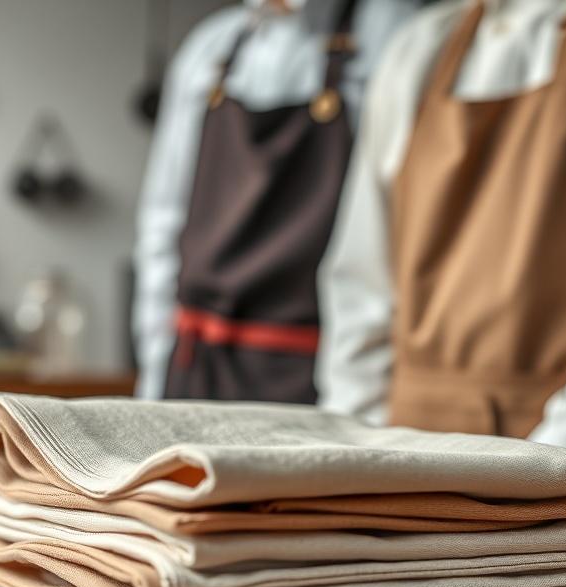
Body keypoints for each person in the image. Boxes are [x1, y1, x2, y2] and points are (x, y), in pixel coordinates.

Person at [317, 0, 566, 554]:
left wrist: (542, 487)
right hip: (409, 480)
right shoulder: (417, 50)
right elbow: (361, 294)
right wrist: (355, 482)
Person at [132, 0, 423, 404]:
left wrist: (358, 401)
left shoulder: (394, 34)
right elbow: (164, 221)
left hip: (313, 380)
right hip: (193, 369)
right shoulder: (210, 47)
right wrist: (155, 374)